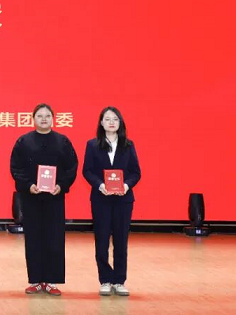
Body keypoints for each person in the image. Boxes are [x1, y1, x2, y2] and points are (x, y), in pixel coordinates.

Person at [10, 103, 78, 296]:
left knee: (54, 238)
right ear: (33, 119)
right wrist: (28, 185)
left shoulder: (62, 141)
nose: (44, 119)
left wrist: (61, 185)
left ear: (53, 119)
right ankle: (35, 280)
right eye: (40, 116)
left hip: (55, 198)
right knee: (33, 238)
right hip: (31, 197)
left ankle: (51, 281)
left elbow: (71, 167)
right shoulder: (24, 141)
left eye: (47, 116)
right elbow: (16, 168)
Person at [82, 106, 141, 296]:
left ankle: (119, 280)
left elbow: (136, 172)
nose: (111, 122)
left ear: (120, 122)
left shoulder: (128, 145)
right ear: (101, 123)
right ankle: (105, 280)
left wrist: (126, 186)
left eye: (115, 119)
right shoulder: (92, 145)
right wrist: (100, 185)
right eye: (107, 119)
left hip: (123, 200)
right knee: (101, 240)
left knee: (121, 241)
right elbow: (87, 170)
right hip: (101, 199)